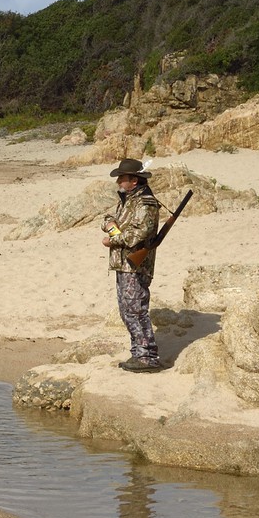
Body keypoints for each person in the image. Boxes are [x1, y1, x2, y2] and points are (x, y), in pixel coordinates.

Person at [102, 158, 164, 372]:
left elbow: (140, 233)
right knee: (126, 310)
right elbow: (109, 219)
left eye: (122, 177)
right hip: (123, 264)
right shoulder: (128, 199)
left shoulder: (145, 203)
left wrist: (113, 239)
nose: (118, 180)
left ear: (134, 181)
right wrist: (111, 228)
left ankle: (148, 357)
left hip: (135, 265)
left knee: (136, 310)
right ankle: (139, 353)